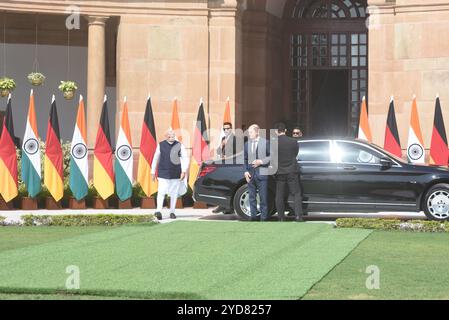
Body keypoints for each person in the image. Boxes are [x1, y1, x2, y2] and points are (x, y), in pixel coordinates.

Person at [151, 130, 189, 220]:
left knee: (174, 193)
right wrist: (152, 172)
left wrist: (183, 171)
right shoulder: (161, 145)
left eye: (173, 135)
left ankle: (172, 212)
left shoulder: (180, 145)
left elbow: (185, 158)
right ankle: (158, 211)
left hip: (175, 173)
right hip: (163, 172)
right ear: (166, 136)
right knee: (161, 192)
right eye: (169, 136)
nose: (171, 137)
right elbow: (155, 158)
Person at [274, 122, 304, 222]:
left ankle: (281, 217)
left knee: (279, 195)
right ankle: (298, 216)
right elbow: (295, 153)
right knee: (296, 194)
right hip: (292, 170)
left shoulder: (273, 143)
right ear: (285, 130)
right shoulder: (293, 141)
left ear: (276, 131)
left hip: (279, 171)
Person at [243, 124, 271, 221]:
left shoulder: (265, 142)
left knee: (263, 197)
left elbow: (271, 157)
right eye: (248, 132)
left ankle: (264, 217)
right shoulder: (247, 144)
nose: (249, 134)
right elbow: (245, 159)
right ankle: (253, 216)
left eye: (251, 132)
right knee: (251, 197)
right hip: (250, 175)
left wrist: (261, 161)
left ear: (257, 132)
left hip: (262, 174)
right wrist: (246, 171)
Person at [213, 122, 238, 214]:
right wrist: (221, 145)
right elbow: (219, 151)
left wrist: (228, 157)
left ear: (231, 129)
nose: (226, 130)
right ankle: (224, 206)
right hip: (224, 165)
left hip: (232, 165)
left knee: (229, 185)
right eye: (224, 129)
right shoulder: (223, 139)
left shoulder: (235, 139)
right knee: (223, 185)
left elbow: (238, 153)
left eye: (228, 128)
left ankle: (227, 207)